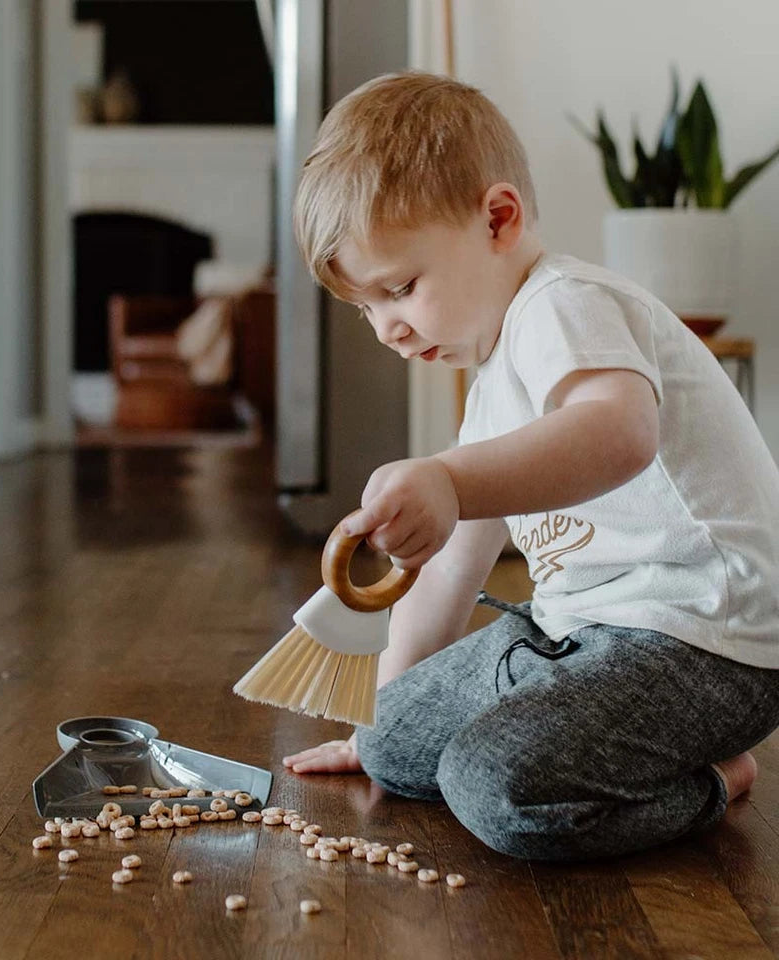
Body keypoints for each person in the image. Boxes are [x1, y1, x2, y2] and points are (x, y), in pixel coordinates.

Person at [281, 71, 779, 861]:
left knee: (495, 789)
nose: (389, 330)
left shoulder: (565, 303)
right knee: (395, 747)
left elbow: (620, 433)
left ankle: (717, 778)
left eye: (401, 289)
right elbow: (448, 570)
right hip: (580, 635)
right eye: (367, 308)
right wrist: (382, 718)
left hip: (703, 640)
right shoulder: (493, 384)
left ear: (499, 219)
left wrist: (450, 480)